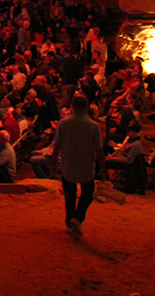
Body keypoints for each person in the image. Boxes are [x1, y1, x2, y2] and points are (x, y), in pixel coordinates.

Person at [53, 94, 105, 236]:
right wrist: (103, 168)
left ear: (72, 107)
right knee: (87, 194)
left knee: (70, 196)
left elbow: (57, 145)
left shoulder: (64, 123)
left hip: (68, 164)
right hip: (86, 164)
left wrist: (54, 161)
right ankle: (78, 217)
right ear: (86, 107)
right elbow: (99, 150)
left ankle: (69, 222)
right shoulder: (93, 126)